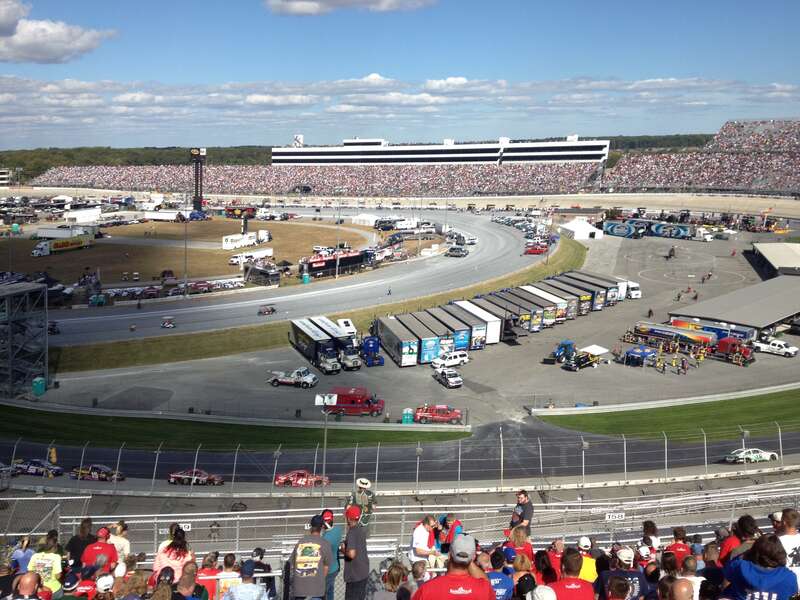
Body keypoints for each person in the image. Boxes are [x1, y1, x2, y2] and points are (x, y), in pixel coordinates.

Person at [411, 535, 493, 600]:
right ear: (473, 557)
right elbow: (486, 582)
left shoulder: (427, 589)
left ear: (449, 555)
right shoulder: (485, 589)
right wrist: (467, 558)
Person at [723, 534, 798, 600]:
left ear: (754, 552)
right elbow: (792, 593)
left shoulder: (738, 566)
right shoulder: (789, 577)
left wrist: (745, 554)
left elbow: (727, 574)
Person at [288, 514, 332, 600]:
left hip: (299, 590)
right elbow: (326, 567)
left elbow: (292, 563)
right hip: (316, 590)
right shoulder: (325, 543)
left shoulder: (300, 542)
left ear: (311, 526)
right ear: (322, 527)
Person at [343, 506, 369, 600]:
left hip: (355, 576)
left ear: (348, 518)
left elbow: (352, 554)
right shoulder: (361, 529)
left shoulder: (352, 532)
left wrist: (343, 550)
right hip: (363, 572)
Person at [27, 532, 63, 599]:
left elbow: (30, 572)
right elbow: (58, 576)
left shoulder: (35, 556)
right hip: (54, 590)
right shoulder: (56, 557)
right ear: (55, 545)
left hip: (38, 589)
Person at [320, 510, 343, 600]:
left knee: (323, 593)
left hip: (327, 571)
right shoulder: (338, 530)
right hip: (335, 567)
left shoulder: (325, 539)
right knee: (330, 591)